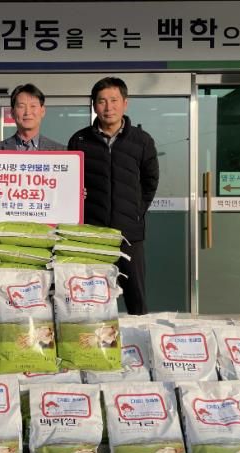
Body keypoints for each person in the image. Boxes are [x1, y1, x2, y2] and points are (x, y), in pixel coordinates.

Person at [68, 77, 159, 315]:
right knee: (92, 299)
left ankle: (140, 338)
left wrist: (136, 212)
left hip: (129, 235)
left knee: (136, 297)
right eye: (102, 101)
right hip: (92, 234)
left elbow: (150, 182)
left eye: (114, 100)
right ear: (94, 105)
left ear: (125, 103)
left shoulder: (142, 141)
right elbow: (70, 182)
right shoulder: (79, 140)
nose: (108, 107)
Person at [0, 83, 65, 151]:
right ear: (12, 113)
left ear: (42, 111)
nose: (27, 112)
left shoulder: (61, 151)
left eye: (33, 106)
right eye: (21, 106)